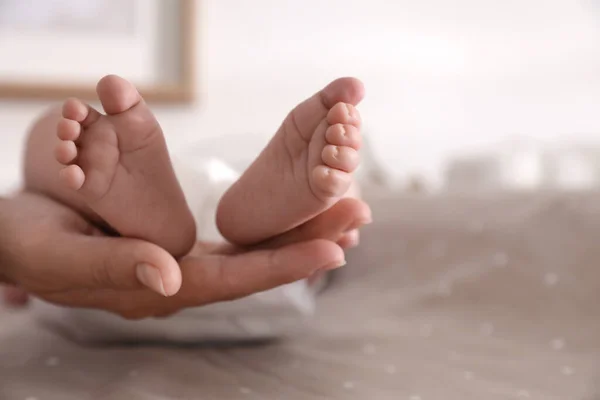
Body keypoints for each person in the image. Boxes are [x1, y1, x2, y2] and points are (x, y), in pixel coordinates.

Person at [1, 75, 371, 318]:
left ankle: (168, 224)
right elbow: (345, 235)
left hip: (82, 279)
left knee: (49, 138)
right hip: (275, 289)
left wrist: (12, 269)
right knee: (339, 190)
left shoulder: (24, 232)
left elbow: (14, 282)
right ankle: (272, 215)